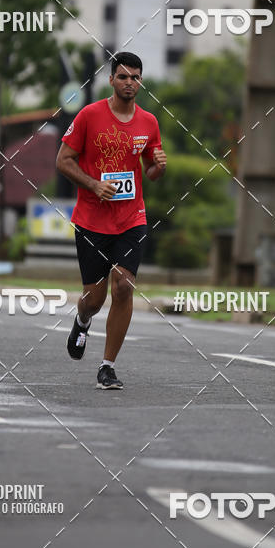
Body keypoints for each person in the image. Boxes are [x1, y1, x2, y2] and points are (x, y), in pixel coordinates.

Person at [56, 51, 167, 389]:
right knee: (95, 298)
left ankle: (107, 366)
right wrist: (93, 184)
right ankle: (82, 318)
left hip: (131, 217)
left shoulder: (148, 122)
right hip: (91, 220)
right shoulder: (90, 115)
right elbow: (64, 160)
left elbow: (149, 171)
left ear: (141, 81)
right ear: (111, 80)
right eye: (123, 77)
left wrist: (159, 167)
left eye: (135, 77)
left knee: (124, 285)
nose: (129, 82)